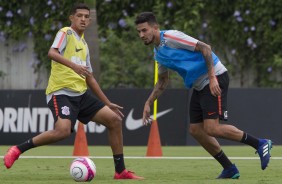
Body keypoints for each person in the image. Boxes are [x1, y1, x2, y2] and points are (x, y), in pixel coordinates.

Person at [3, 3, 143, 180]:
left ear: (89, 20)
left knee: (114, 120)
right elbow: (51, 53)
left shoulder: (84, 44)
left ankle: (120, 171)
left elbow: (90, 77)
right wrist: (74, 66)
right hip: (60, 92)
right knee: (62, 131)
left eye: (86, 16)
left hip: (81, 95)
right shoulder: (65, 33)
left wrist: (107, 102)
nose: (83, 19)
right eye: (79, 16)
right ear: (72, 18)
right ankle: (17, 149)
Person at [135, 12, 272, 179]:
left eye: (144, 30)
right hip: (199, 85)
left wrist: (213, 77)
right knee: (196, 130)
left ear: (155, 28)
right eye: (139, 32)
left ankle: (260, 143)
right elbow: (163, 81)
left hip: (214, 77)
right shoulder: (158, 54)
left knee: (211, 128)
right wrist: (148, 103)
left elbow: (205, 47)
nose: (141, 35)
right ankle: (229, 168)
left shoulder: (171, 37)